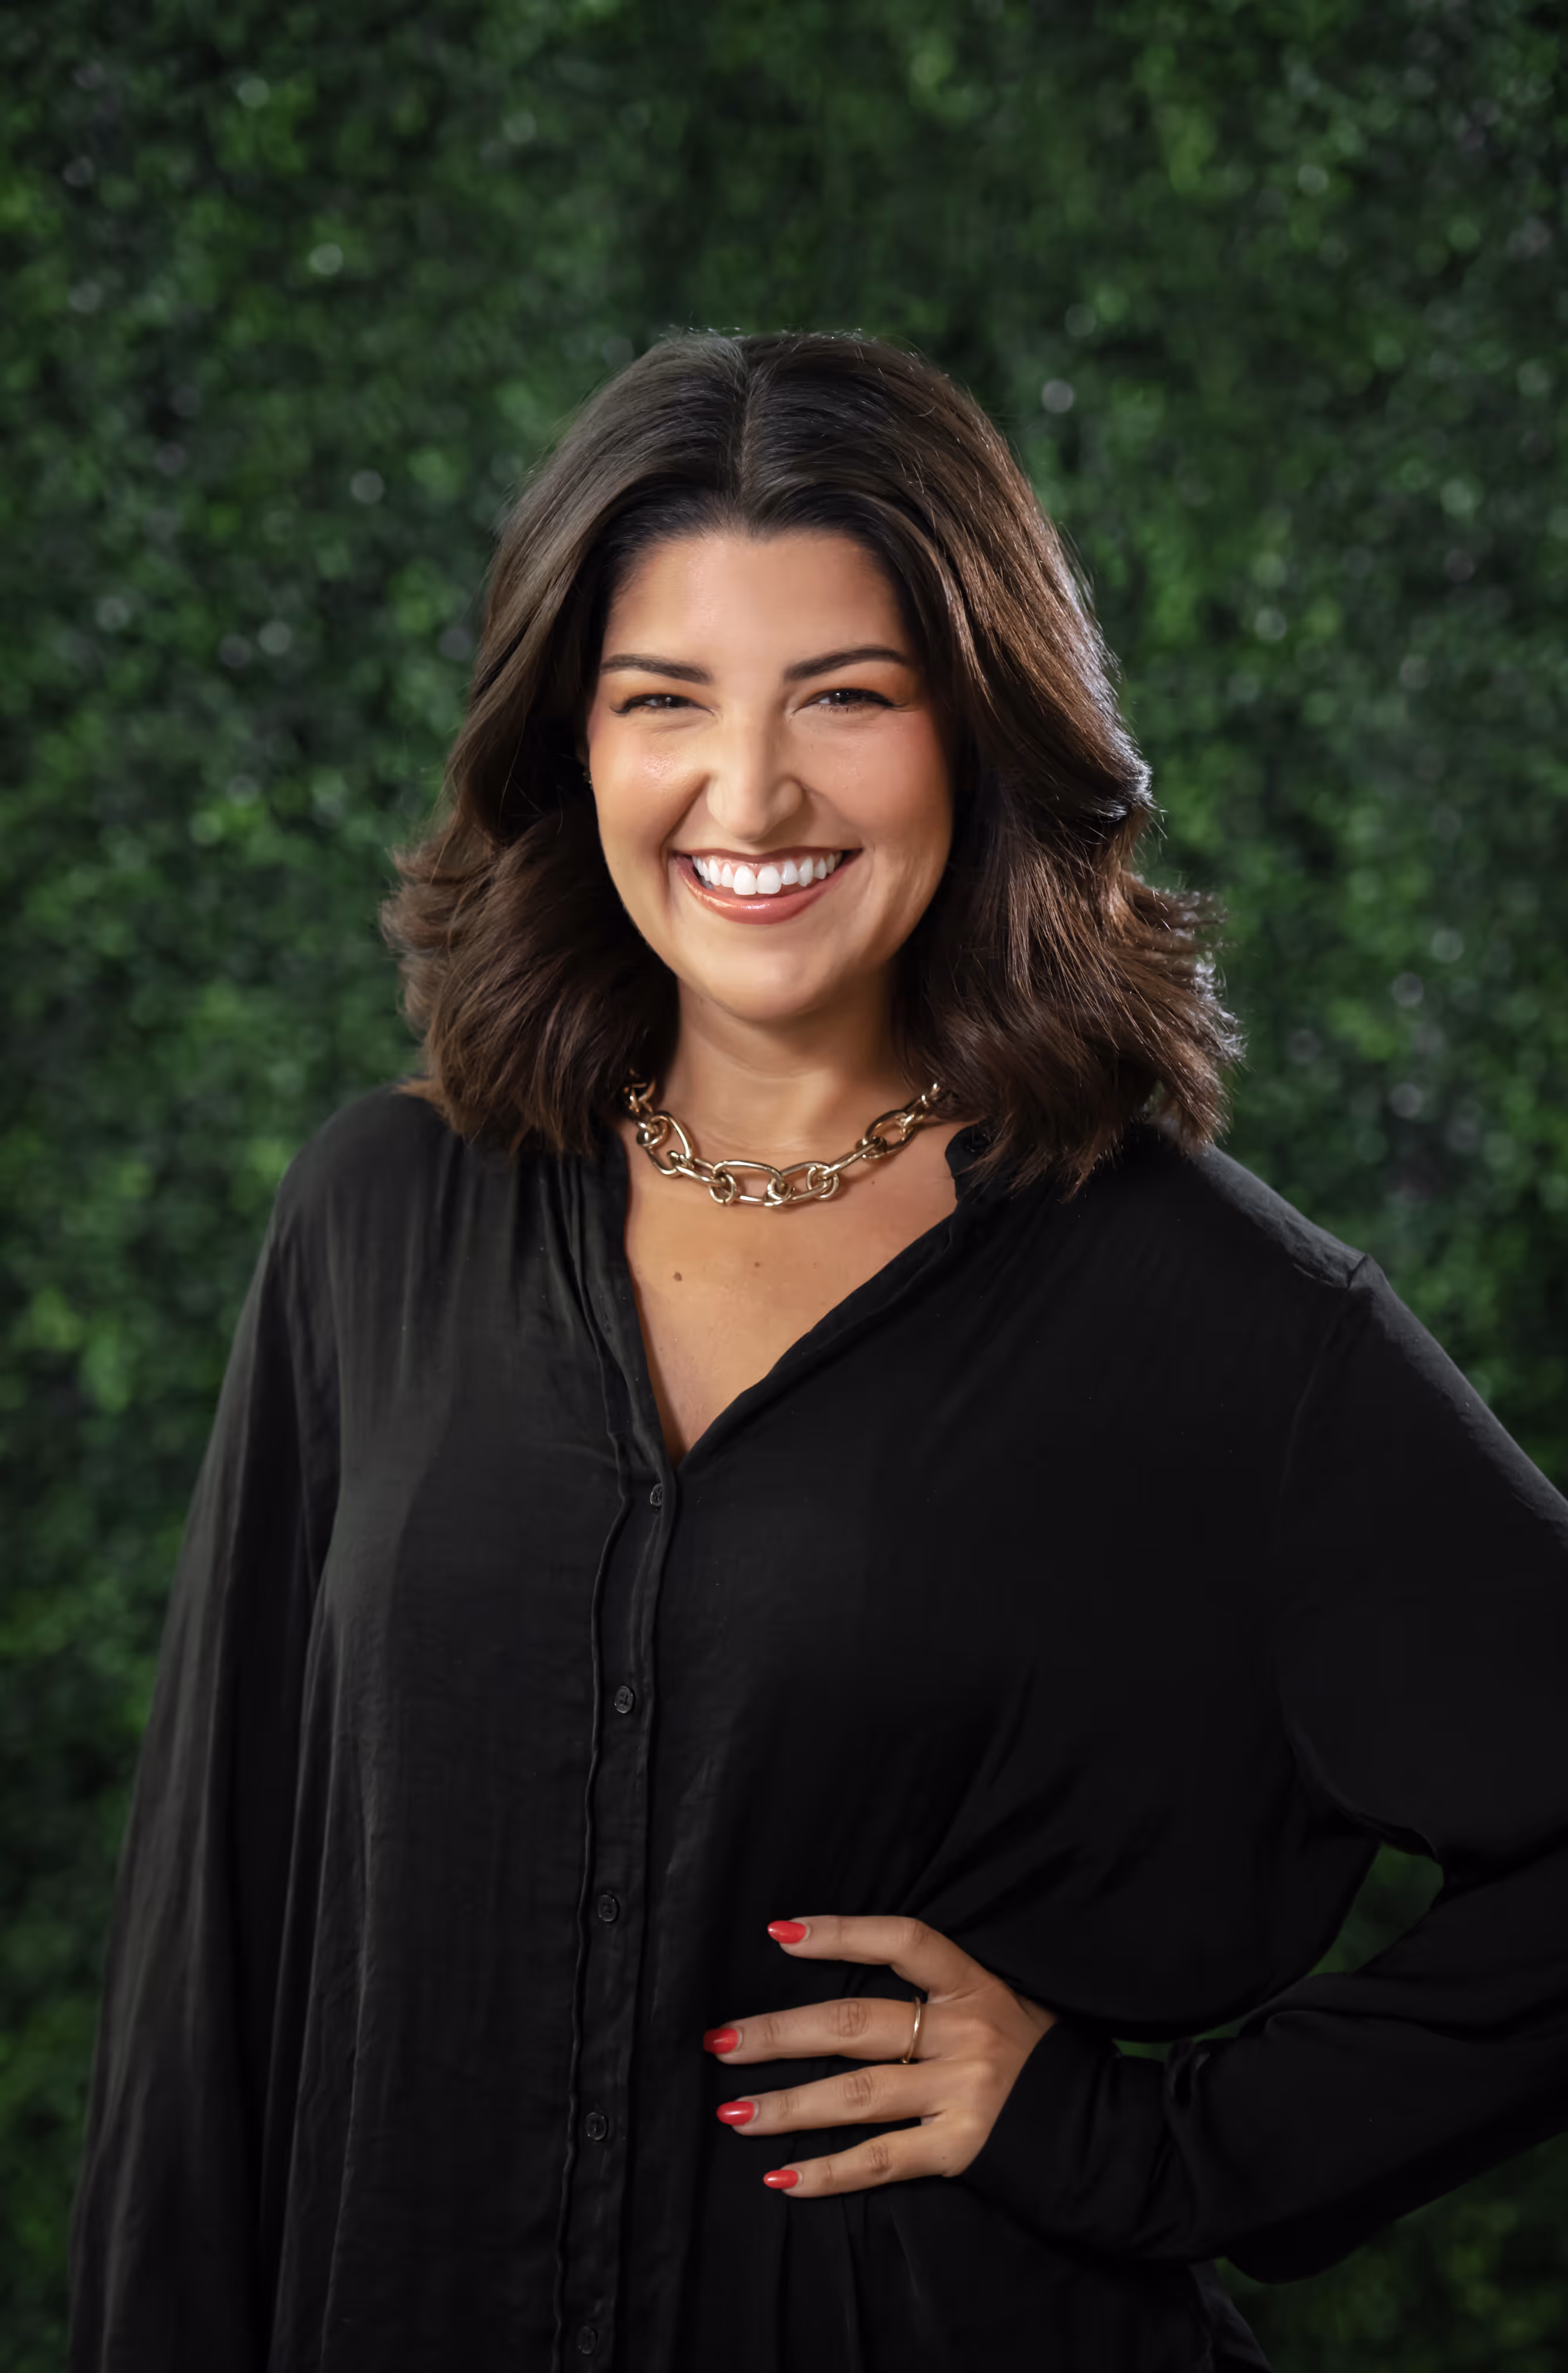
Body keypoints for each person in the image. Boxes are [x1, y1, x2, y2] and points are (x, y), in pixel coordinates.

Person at [69, 331, 1568, 2373]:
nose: (747, 793)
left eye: (847, 700)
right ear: (565, 746)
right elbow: (211, 1958)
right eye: (660, 700)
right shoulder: (378, 1221)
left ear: (981, 732)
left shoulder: (1213, 1320)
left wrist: (1137, 2144)